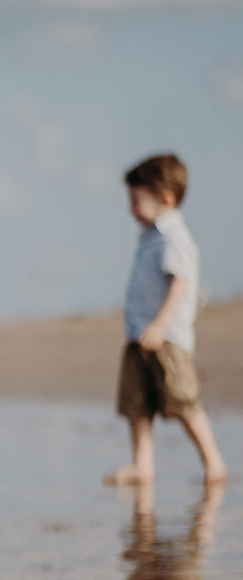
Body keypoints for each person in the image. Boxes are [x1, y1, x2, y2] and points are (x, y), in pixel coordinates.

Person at [106, 154, 226, 487]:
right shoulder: (149, 237)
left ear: (165, 198)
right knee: (137, 406)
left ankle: (213, 460)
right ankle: (142, 465)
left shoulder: (174, 238)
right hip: (138, 336)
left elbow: (180, 283)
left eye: (136, 200)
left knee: (183, 400)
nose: (131, 208)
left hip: (167, 338)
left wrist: (160, 324)